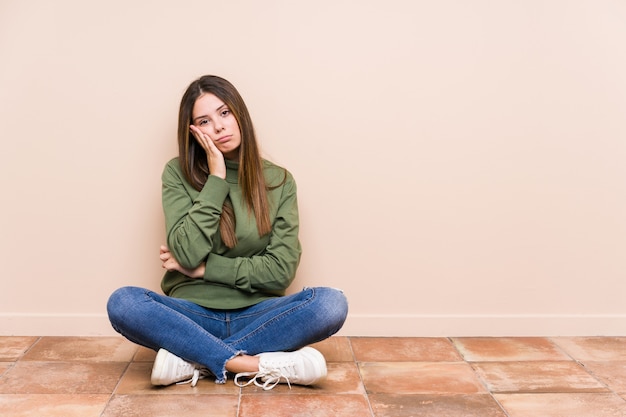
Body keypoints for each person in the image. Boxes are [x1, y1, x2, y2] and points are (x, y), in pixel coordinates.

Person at [107, 75, 348, 390]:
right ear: (192, 132)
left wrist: (204, 269)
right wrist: (217, 177)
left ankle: (193, 356)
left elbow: (280, 271)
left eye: (224, 113)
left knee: (330, 304)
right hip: (191, 313)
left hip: (260, 313)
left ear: (240, 115)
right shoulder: (177, 173)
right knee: (123, 302)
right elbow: (186, 252)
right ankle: (251, 364)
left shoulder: (279, 181)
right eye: (204, 121)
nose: (218, 126)